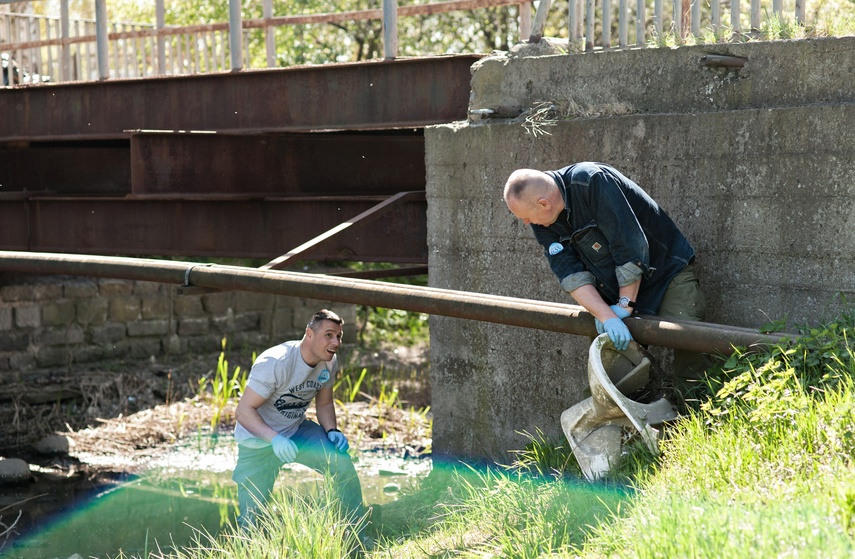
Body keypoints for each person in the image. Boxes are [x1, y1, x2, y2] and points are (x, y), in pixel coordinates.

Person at [503, 162, 709, 386]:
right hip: (613, 292)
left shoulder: (592, 181)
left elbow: (630, 248)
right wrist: (606, 316)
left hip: (666, 274)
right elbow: (570, 273)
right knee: (609, 374)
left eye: (525, 216)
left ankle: (699, 415)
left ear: (544, 203)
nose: (525, 223)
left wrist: (624, 305)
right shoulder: (542, 219)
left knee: (690, 349)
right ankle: (623, 420)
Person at [232, 308, 367, 530]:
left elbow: (324, 403)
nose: (336, 342)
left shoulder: (328, 362)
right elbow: (243, 411)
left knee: (341, 464)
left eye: (339, 336)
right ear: (309, 334)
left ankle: (356, 533)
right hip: (258, 442)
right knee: (252, 519)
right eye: (329, 335)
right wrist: (274, 439)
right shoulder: (275, 362)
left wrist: (332, 430)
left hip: (296, 431)